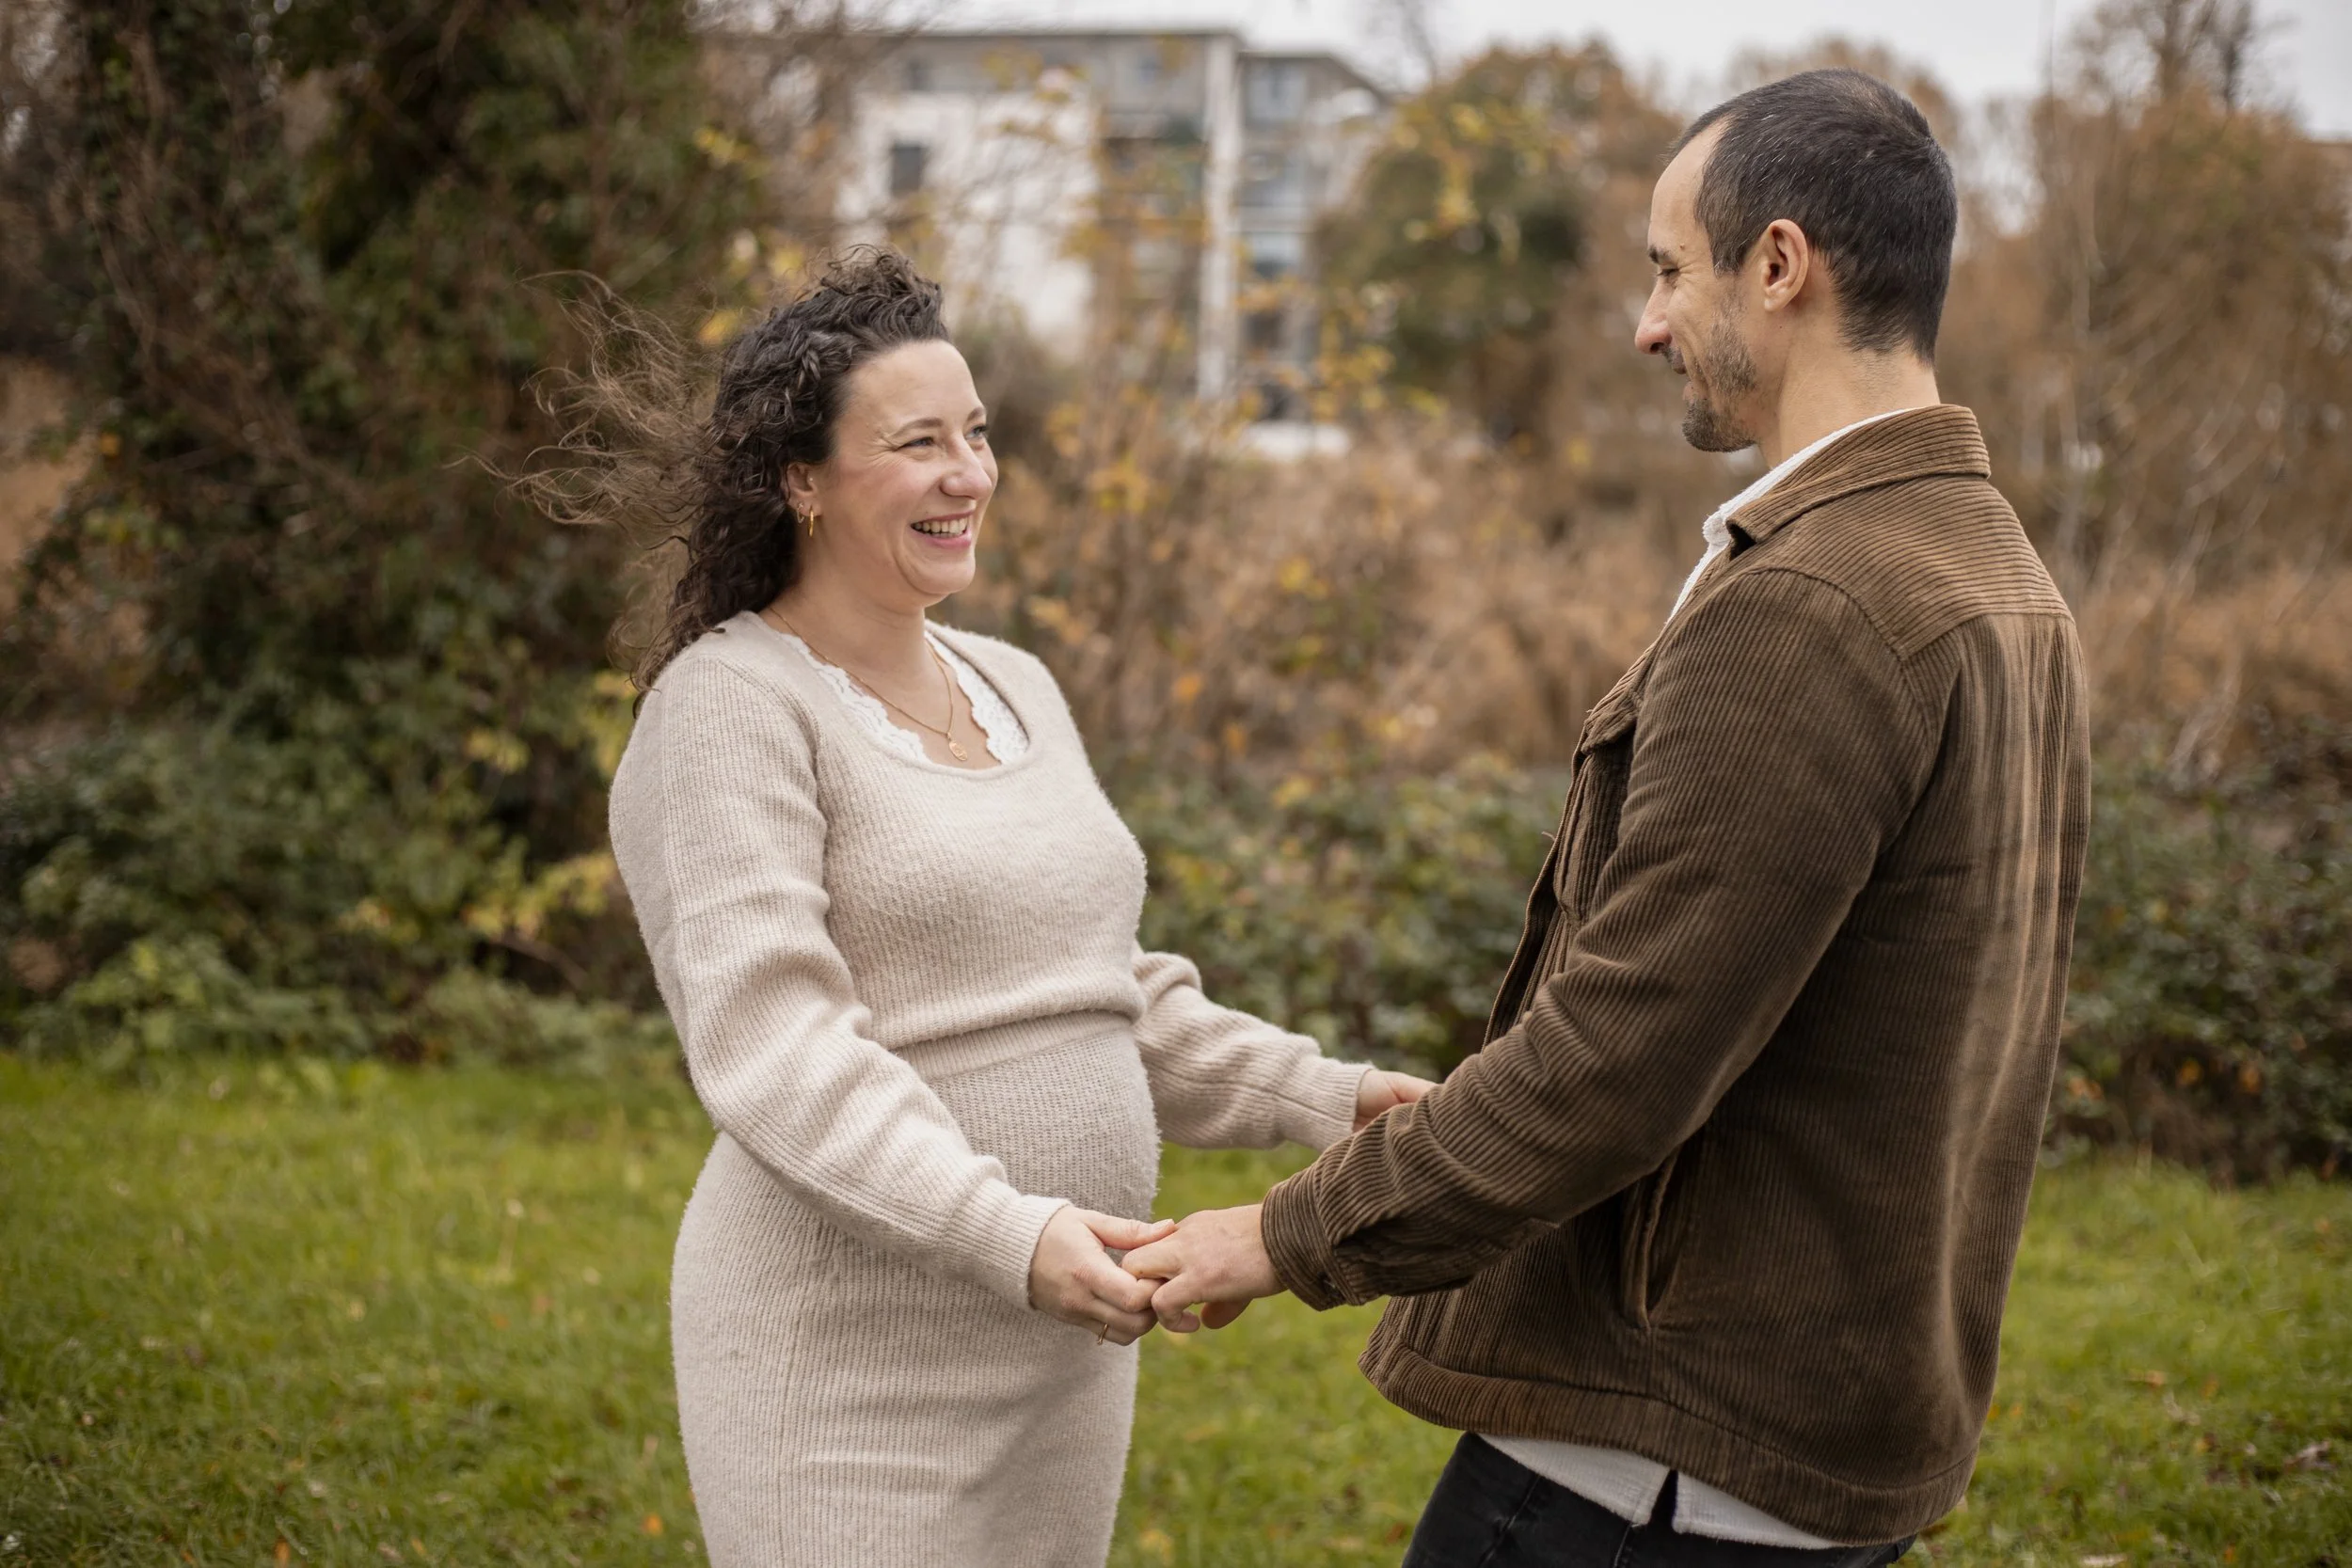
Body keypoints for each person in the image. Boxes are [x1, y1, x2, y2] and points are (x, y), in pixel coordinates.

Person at [1122, 68, 2091, 1565]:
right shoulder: (1998, 574)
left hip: (1650, 1470)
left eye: (1668, 271)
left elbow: (1617, 1061)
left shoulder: (1819, 605)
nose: (1646, 324)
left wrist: (1280, 1232)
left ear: (1780, 266)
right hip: (1813, 1442)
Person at [594, 249, 1431, 1567]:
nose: (969, 474)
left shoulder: (1016, 684)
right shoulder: (732, 705)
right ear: (801, 481)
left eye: (976, 434)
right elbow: (773, 1046)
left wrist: (1331, 1098)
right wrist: (1010, 1232)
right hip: (848, 1354)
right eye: (917, 443)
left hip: (1063, 1348)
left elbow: (1105, 994)